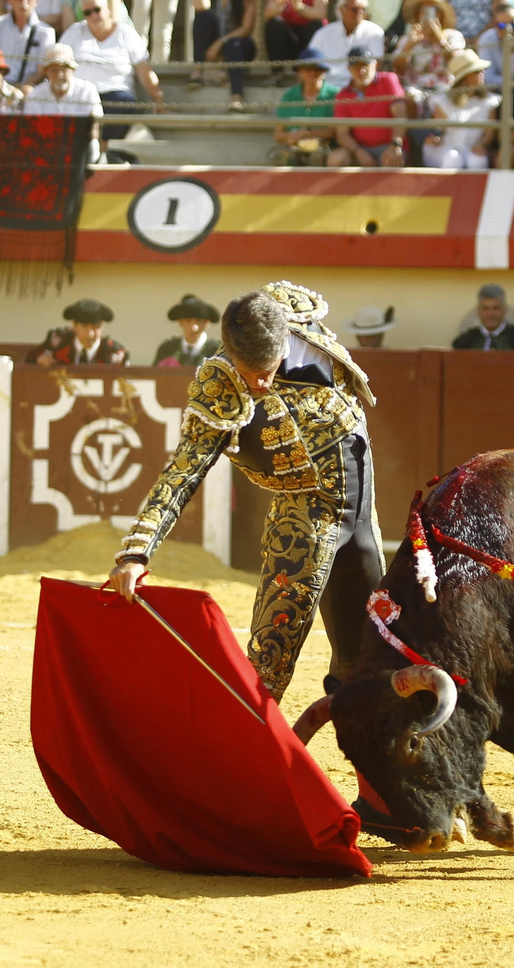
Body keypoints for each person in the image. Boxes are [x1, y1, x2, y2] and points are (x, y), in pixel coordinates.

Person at [110, 282, 383, 703]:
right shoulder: (220, 385)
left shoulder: (298, 320)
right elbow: (182, 472)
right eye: (246, 370)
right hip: (305, 513)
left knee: (371, 652)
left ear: (284, 341)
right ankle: (237, 738)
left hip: (360, 500)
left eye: (266, 370)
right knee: (268, 658)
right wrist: (135, 553)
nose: (257, 383)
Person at [62, 0, 163, 146]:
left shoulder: (126, 32)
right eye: (87, 12)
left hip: (116, 96)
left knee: (125, 104)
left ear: (108, 8)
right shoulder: (74, 32)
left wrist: (157, 97)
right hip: (81, 95)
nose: (93, 16)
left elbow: (144, 70)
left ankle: (100, 146)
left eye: (97, 10)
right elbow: (60, 61)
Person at [189, 0, 256, 105]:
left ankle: (237, 97)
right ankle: (197, 71)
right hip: (212, 48)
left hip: (239, 46)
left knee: (233, 44)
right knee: (203, 18)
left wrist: (221, 42)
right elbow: (200, 6)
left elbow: (247, 28)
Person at [22, 43, 102, 162]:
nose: (59, 75)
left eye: (64, 69)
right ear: (46, 71)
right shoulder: (35, 95)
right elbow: (31, 130)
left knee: (92, 144)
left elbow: (95, 126)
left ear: (73, 70)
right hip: (45, 150)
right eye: (54, 70)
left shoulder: (87, 91)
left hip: (78, 150)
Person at [328, 47, 405, 168]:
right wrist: (359, 152)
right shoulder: (343, 95)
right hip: (359, 149)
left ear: (376, 65)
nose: (362, 70)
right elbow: (342, 134)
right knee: (336, 159)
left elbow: (400, 115)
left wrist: (395, 145)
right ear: (349, 69)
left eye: (365, 65)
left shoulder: (388, 80)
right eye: (356, 66)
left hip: (389, 146)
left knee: (390, 160)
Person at [422, 48, 497, 170]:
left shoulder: (489, 101)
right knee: (453, 158)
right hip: (443, 149)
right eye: (476, 71)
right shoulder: (442, 101)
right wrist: (435, 139)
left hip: (471, 149)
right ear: (465, 77)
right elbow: (437, 132)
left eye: (482, 70)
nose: (482, 73)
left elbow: (489, 135)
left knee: (478, 160)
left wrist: (481, 145)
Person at [303, 0, 384, 91]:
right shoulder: (324, 34)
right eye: (355, 9)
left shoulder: (375, 32)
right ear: (341, 9)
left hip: (360, 88)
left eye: (363, 9)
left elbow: (376, 65)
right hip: (327, 89)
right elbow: (309, 63)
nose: (360, 12)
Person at [392, 0, 465, 95]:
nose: (428, 14)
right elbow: (397, 67)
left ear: (442, 14)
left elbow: (458, 62)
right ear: (418, 14)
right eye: (423, 9)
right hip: (414, 90)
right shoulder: (409, 38)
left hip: (445, 90)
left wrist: (440, 39)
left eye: (435, 9)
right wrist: (411, 44)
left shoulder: (453, 36)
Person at [271, 52, 337, 166]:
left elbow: (334, 131)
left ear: (324, 71)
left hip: (324, 147)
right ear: (300, 70)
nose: (312, 73)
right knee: (283, 157)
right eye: (307, 68)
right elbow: (278, 134)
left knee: (319, 158)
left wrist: (309, 134)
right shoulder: (289, 95)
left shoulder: (334, 94)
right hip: (294, 146)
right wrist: (293, 136)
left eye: (317, 69)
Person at [30, 298, 128, 365]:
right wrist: (40, 361)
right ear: (75, 326)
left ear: (102, 327)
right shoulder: (58, 342)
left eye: (96, 327)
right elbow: (30, 360)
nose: (90, 334)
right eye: (84, 326)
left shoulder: (113, 352)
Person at [452, 283, 514, 350]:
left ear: (505, 310)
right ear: (478, 311)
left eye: (496, 308)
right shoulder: (465, 342)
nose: (491, 313)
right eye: (486, 309)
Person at [153, 294, 221, 367]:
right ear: (180, 322)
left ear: (207, 323)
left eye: (199, 321)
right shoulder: (168, 349)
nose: (194, 328)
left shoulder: (217, 351)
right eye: (188, 321)